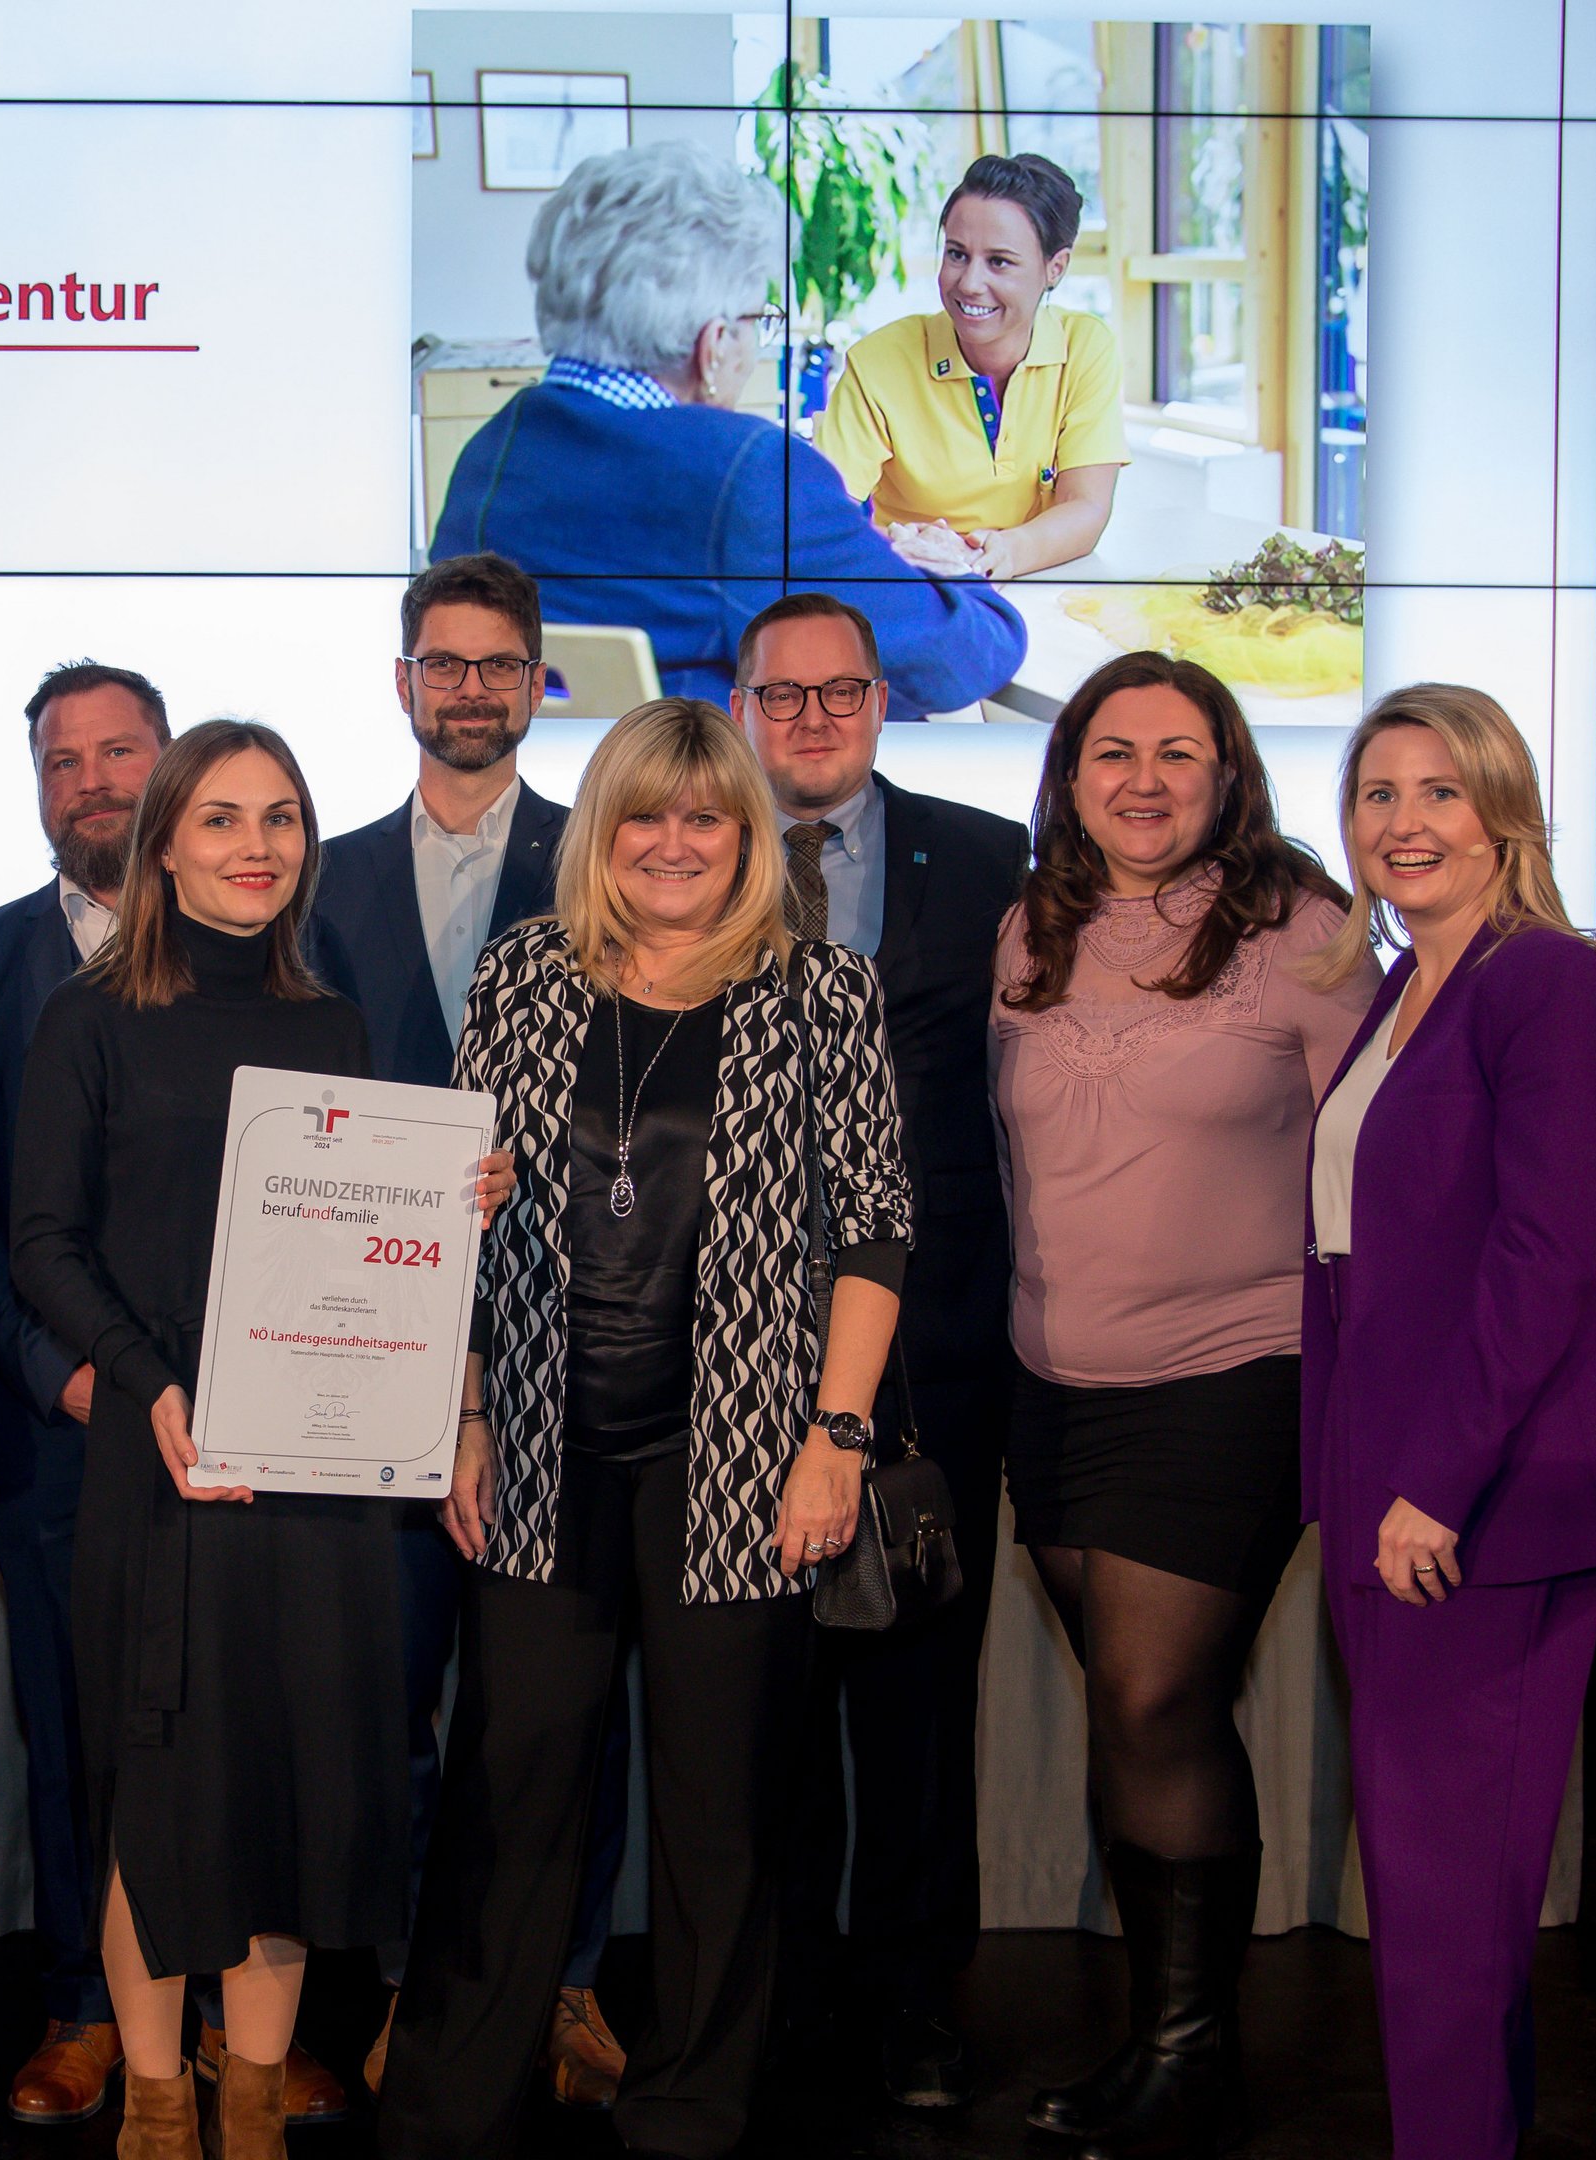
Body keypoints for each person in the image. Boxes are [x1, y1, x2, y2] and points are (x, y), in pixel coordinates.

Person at [378, 699, 913, 2160]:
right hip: (540, 1449)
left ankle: (687, 2110)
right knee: (511, 1793)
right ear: (602, 832)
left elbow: (873, 1230)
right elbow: (460, 1213)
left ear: (745, 835)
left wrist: (836, 1438)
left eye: (705, 818)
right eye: (644, 817)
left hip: (740, 1462)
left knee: (719, 1816)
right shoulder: (522, 975)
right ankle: (448, 2109)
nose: (674, 845)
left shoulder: (821, 991)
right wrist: (467, 1410)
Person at [10, 721, 511, 2160]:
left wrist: (451, 1203)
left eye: (281, 817)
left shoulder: (330, 1026)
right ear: (163, 845)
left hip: (315, 1477)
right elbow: (42, 1242)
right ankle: (158, 2110)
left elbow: (361, 1237)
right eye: (222, 818)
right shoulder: (88, 1018)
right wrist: (151, 1385)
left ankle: (253, 2106)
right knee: (164, 1795)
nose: (257, 845)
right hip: (166, 1462)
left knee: (300, 1789)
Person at [986, 651, 1379, 2158]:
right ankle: (1163, 2044)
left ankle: (1190, 2058)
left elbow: (1383, 1159)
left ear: (1229, 776)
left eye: (1177, 753)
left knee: (1155, 1700)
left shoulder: (1305, 933)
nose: (1142, 781)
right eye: (1112, 752)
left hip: (1235, 1374)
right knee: (1141, 1713)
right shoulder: (1029, 927)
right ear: (1069, 776)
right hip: (1052, 1387)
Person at [1300, 684, 1596, 2160]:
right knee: (1429, 1892)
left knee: (1449, 1901)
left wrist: (1435, 1485)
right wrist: (1345, 1484)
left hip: (1483, 1498)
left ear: (1503, 807)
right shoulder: (1405, 987)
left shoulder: (1546, 980)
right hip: (1386, 1485)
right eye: (1378, 794)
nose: (1405, 822)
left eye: (1440, 791)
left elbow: (1544, 1257)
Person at [307, 552, 631, 2108]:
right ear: (405, 683)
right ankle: (413, 1988)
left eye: (504, 664)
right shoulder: (315, 879)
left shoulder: (614, 867)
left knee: (560, 1701)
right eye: (447, 663)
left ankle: (564, 1980)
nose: (475, 690)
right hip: (364, 1352)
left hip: (573, 1350)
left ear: (536, 683)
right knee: (388, 1700)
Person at [726, 593, 1026, 2110]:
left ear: (883, 703)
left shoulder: (986, 860)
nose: (813, 720)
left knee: (917, 1701)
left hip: (934, 1355)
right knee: (760, 1708)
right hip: (730, 1353)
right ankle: (780, 2005)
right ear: (740, 708)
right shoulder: (684, 854)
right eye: (783, 696)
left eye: (841, 692)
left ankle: (912, 1999)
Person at [430, 139, 1026, 720]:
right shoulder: (746, 475)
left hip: (540, 782)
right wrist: (955, 570)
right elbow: (958, 661)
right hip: (705, 784)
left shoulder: (492, 449)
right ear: (713, 346)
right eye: (756, 320)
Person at [817, 153, 1129, 580]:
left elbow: (1087, 507)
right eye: (957, 254)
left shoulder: (1085, 347)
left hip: (1037, 583)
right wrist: (913, 550)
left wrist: (1000, 554)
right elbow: (822, 519)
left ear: (1055, 268)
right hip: (915, 584)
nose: (969, 283)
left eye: (999, 261)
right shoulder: (877, 362)